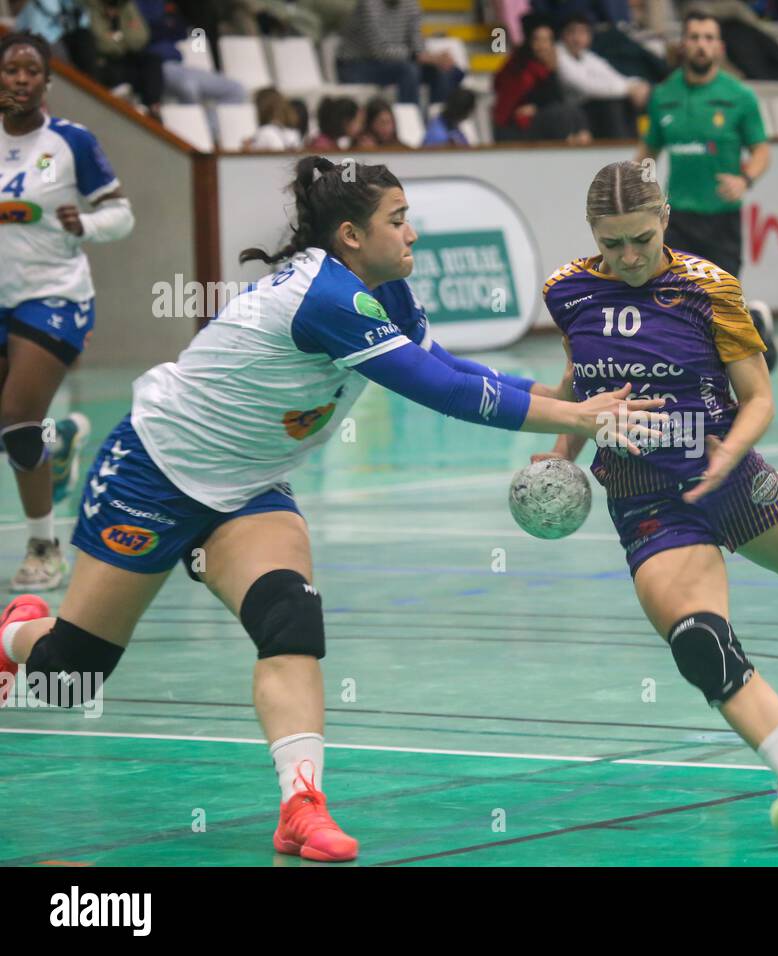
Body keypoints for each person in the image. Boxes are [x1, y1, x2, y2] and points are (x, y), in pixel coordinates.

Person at [0, 155, 666, 862]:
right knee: (67, 681)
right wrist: (579, 421)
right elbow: (437, 392)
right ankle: (17, 636)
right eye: (398, 221)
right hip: (154, 473)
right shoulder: (326, 298)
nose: (414, 234)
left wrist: (570, 410)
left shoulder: (387, 292)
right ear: (351, 235)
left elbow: (457, 371)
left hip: (250, 489)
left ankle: (301, 804)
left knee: (290, 616)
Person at [532, 161, 778, 848]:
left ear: (664, 219)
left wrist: (729, 452)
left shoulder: (709, 289)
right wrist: (559, 455)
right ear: (592, 233)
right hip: (645, 500)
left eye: (640, 237)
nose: (628, 256)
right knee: (700, 647)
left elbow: (760, 400)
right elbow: (582, 373)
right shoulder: (566, 292)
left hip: (730, 476)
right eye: (612, 242)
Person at [0, 32, 135, 591]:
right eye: (11, 70)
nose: (22, 79)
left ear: (48, 81)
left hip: (55, 295)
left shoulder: (72, 142)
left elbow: (122, 214)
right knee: (18, 432)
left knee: (16, 420)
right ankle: (59, 446)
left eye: (32, 70)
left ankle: (44, 546)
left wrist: (90, 224)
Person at [634, 10, 778, 369]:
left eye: (708, 38)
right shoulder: (663, 95)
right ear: (683, 44)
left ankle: (758, 330)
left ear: (720, 46)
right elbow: (648, 150)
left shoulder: (739, 96)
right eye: (695, 37)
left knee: (721, 307)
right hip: (676, 218)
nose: (701, 45)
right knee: (677, 305)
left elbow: (761, 151)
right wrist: (634, 187)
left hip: (721, 220)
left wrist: (745, 179)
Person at [335, 0, 463, 107]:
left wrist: (434, 59)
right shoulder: (369, 4)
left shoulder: (411, 5)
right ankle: (409, 123)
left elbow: (417, 45)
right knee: (408, 71)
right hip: (356, 65)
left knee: (441, 71)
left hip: (395, 63)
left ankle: (438, 124)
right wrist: (420, 56)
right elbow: (379, 51)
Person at [491, 14, 590, 144]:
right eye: (538, 40)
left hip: (541, 117)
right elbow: (513, 101)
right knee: (558, 114)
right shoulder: (518, 65)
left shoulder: (549, 65)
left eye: (547, 40)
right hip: (515, 126)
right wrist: (536, 106)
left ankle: (583, 140)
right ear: (530, 42)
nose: (542, 45)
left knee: (574, 110)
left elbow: (553, 96)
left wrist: (537, 106)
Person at [554, 11, 649, 140]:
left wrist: (636, 85)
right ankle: (620, 149)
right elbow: (587, 87)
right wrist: (629, 89)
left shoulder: (588, 56)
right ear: (562, 35)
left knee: (637, 97)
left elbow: (613, 77)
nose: (577, 38)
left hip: (593, 110)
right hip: (575, 114)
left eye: (582, 32)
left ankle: (641, 144)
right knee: (613, 104)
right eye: (572, 32)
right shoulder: (558, 55)